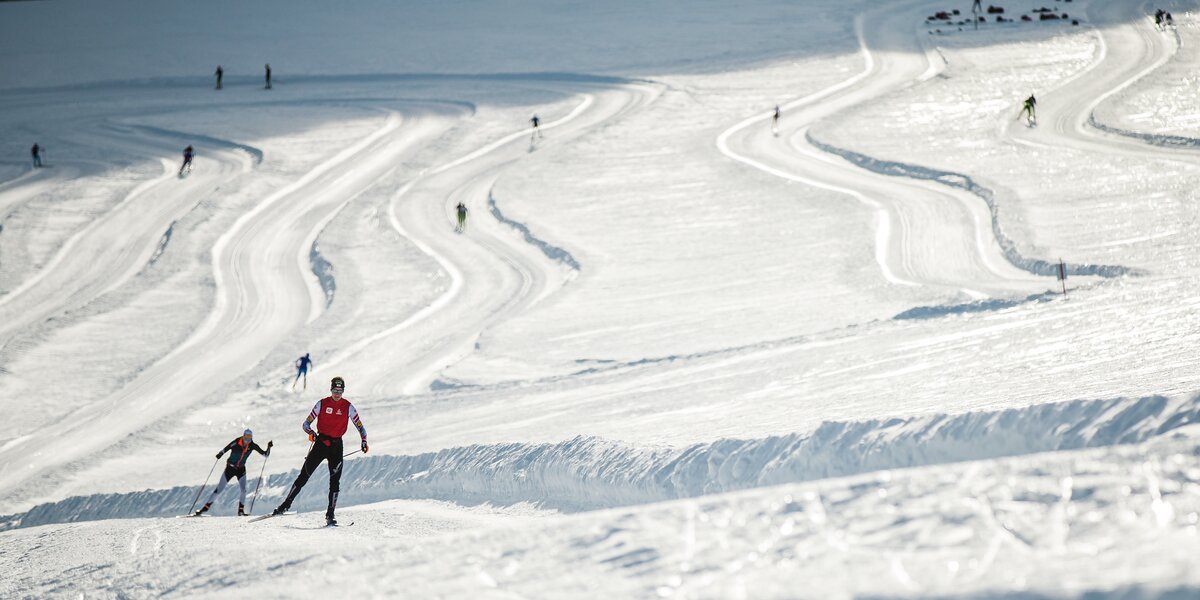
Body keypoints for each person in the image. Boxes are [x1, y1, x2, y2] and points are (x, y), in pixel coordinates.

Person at [271, 376, 368, 526]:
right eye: (335, 390)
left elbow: (360, 426)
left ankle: (330, 514)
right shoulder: (321, 404)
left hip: (336, 447)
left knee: (335, 482)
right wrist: (310, 432)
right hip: (321, 444)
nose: (337, 394)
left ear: (343, 391)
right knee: (304, 476)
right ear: (331, 390)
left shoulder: (348, 406)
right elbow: (305, 423)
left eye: (340, 391)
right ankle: (285, 505)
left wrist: (364, 440)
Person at [194, 429, 272, 516]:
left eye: (250, 438)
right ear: (243, 436)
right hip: (230, 469)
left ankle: (241, 511)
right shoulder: (236, 442)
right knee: (219, 489)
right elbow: (226, 448)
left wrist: (269, 447)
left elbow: (265, 455)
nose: (248, 440)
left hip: (241, 469)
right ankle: (204, 509)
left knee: (243, 490)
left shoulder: (252, 445)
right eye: (247, 438)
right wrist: (220, 454)